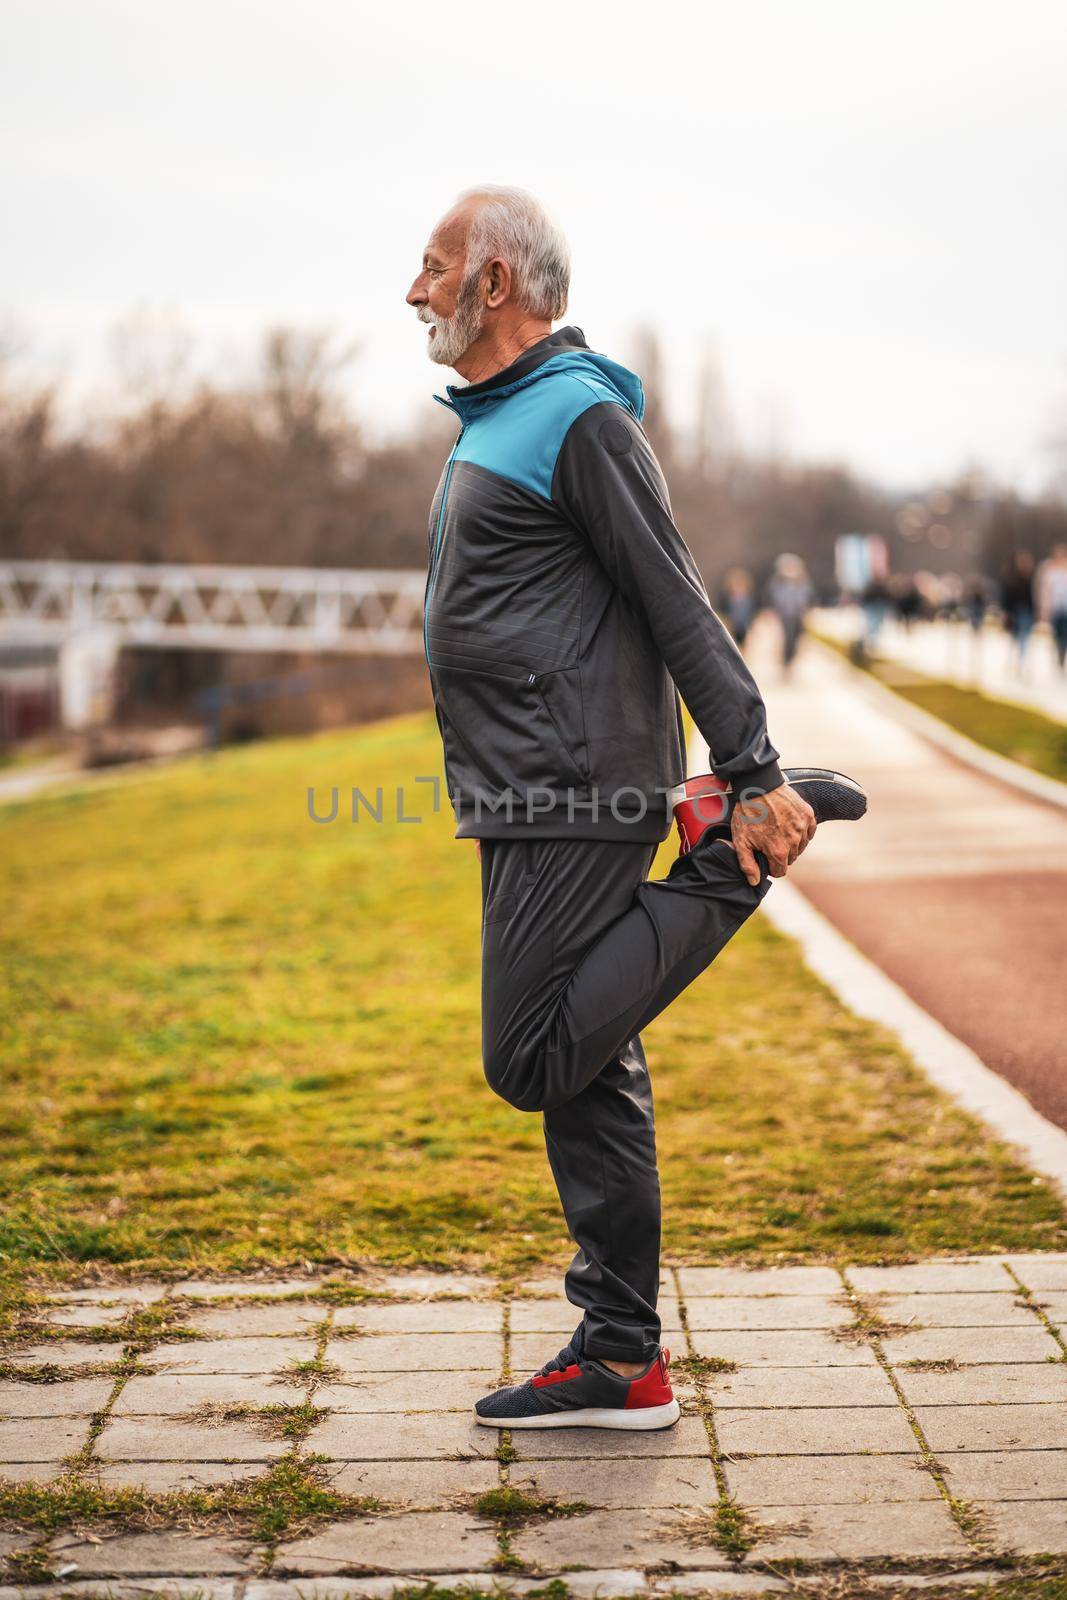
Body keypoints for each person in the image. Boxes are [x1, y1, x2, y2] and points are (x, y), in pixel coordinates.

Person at [406, 186, 866, 1432]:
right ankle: (620, 1356)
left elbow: (675, 601)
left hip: (573, 790)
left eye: (434, 265)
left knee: (533, 1054)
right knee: (589, 1068)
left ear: (494, 283)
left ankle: (729, 860)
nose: (413, 289)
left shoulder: (574, 415)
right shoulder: (501, 418)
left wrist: (752, 767)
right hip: (527, 791)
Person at [766, 553, 813, 673]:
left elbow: (807, 597)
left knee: (797, 637)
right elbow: (775, 598)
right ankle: (786, 660)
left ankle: (790, 657)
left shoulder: (803, 583)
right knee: (788, 638)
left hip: (798, 615)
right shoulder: (778, 583)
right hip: (785, 615)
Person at [1001, 550, 1036, 675]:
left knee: (1024, 639)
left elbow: (1032, 597)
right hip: (1014, 613)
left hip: (1026, 613)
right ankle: (1012, 663)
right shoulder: (1011, 578)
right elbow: (1006, 597)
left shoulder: (1030, 578)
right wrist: (1006, 612)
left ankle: (1021, 663)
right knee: (1015, 639)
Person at [1036, 543, 1067, 673]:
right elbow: (1043, 591)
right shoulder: (1047, 569)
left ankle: (1062, 656)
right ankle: (1058, 655)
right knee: (1057, 634)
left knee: (1065, 634)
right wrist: (1043, 609)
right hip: (1054, 608)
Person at [718, 566, 756, 651]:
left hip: (745, 627)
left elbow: (751, 613)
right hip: (732, 628)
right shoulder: (727, 600)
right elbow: (724, 613)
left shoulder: (748, 600)